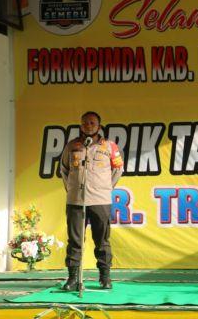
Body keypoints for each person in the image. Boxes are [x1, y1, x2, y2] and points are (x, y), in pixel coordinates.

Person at [60, 111, 124, 290]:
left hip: (100, 200)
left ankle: (105, 277)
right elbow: (64, 170)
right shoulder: (72, 146)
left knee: (102, 240)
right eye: (85, 123)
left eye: (92, 123)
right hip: (76, 200)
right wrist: (72, 189)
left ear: (99, 126)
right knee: (75, 240)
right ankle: (73, 278)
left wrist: (105, 188)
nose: (88, 126)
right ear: (80, 126)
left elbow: (118, 170)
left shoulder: (109, 146)